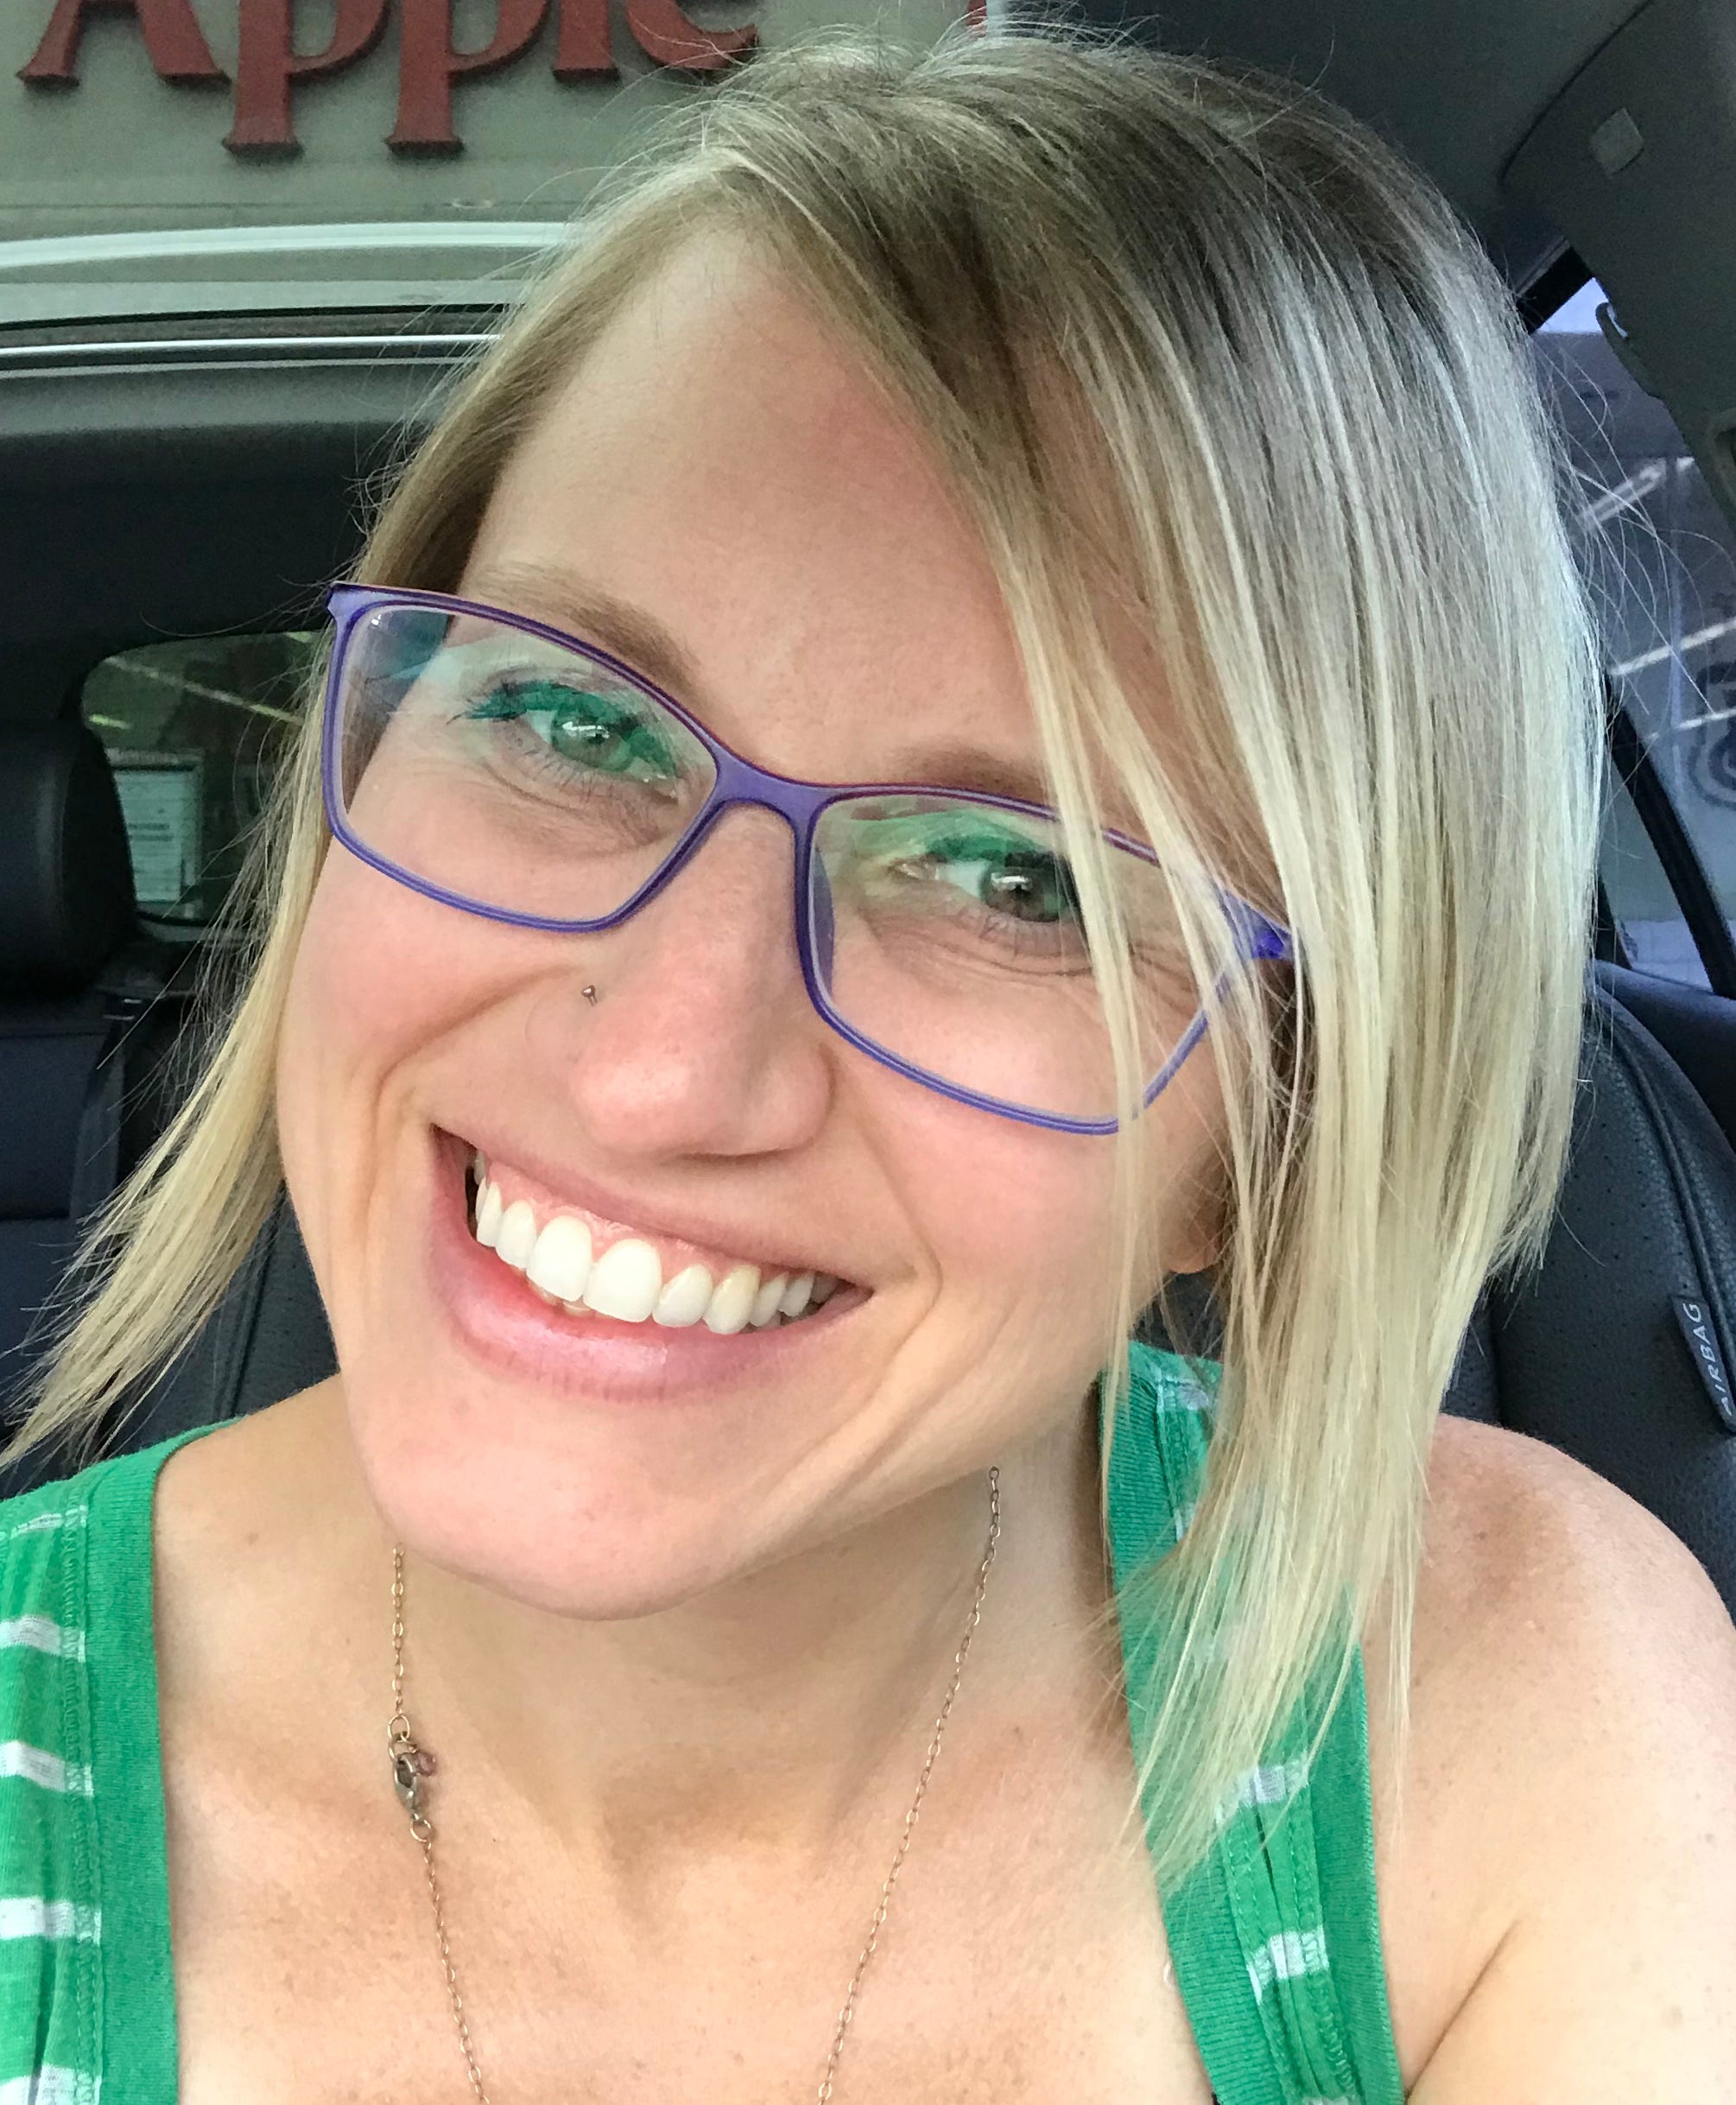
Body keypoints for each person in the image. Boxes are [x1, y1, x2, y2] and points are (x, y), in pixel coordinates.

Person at [2, 23, 1732, 2103]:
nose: (660, 1073)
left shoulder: (1509, 1703)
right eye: (569, 720)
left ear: (1266, 1135)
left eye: (1017, 881)